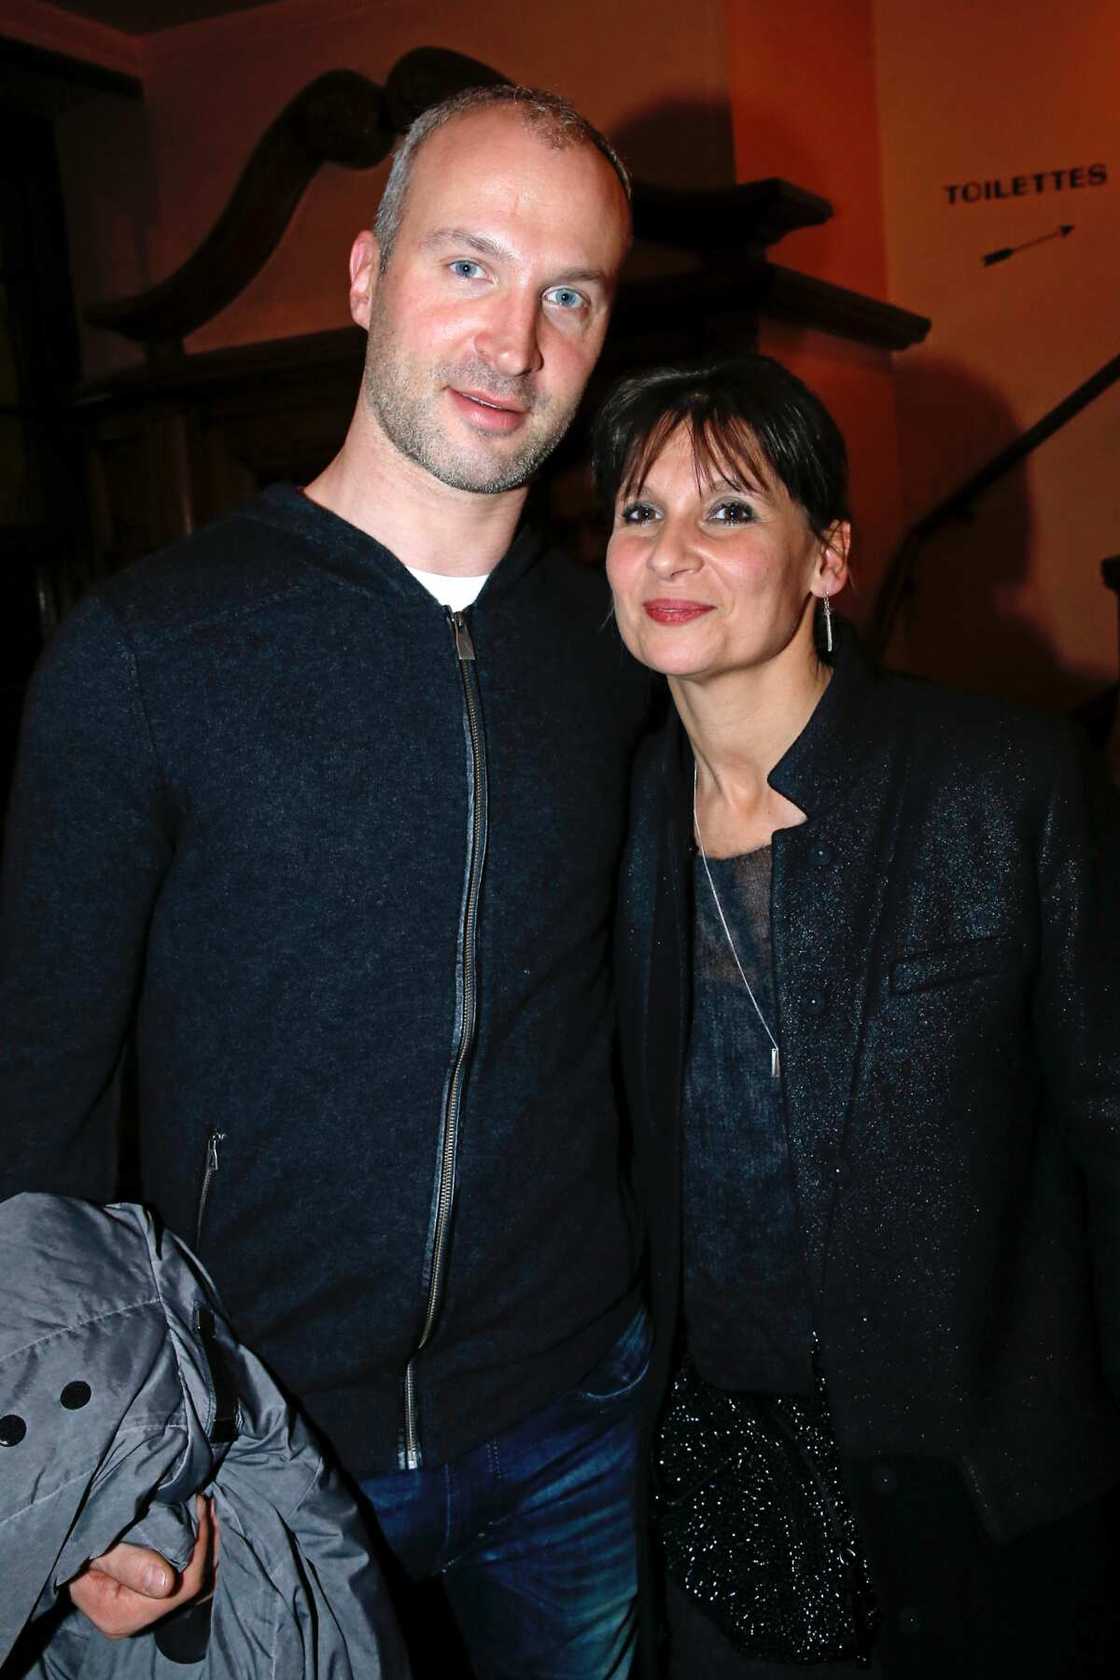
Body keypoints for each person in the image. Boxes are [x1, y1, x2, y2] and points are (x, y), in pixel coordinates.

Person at [0, 86, 651, 1679]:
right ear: (365, 276)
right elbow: (37, 1102)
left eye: (570, 294)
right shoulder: (146, 652)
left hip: (576, 1422)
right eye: (468, 266)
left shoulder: (619, 648)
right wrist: (90, 1476)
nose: (515, 342)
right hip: (255, 1449)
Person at [595, 355, 1120, 1678]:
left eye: (729, 511)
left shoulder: (1002, 786)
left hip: (982, 1487)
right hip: (710, 1485)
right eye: (637, 511)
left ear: (828, 557)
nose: (670, 550)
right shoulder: (602, 827)